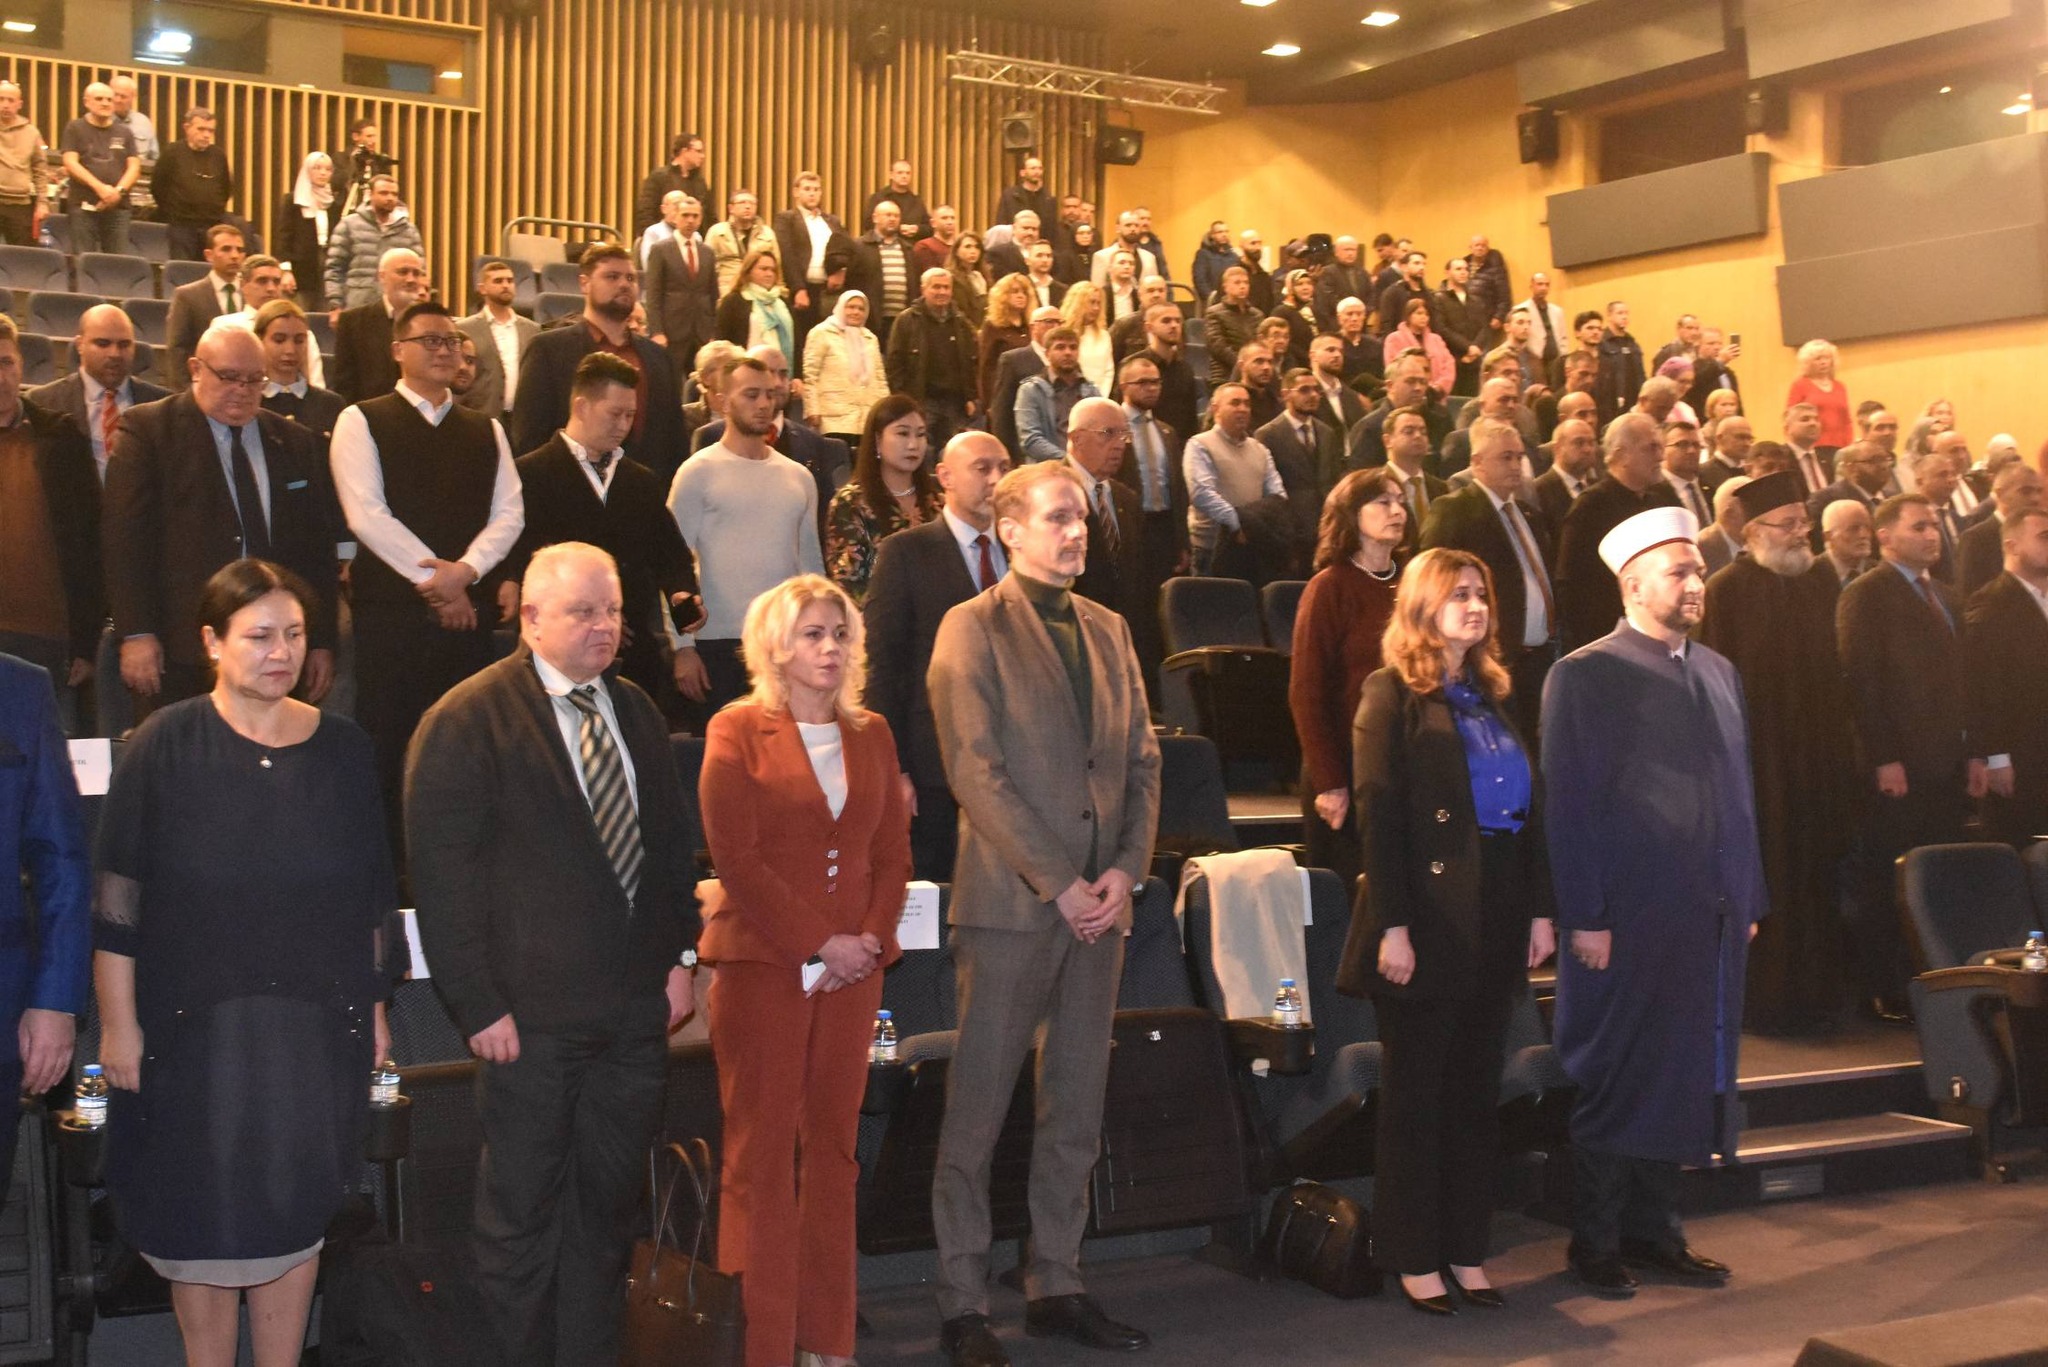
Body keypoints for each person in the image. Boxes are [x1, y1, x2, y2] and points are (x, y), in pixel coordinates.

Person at [405, 542, 699, 1367]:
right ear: (529, 618)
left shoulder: (636, 710)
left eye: (613, 610)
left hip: (632, 1018)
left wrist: (680, 957)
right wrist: (476, 1002)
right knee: (520, 1225)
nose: (605, 626)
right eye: (583, 611)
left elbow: (670, 850)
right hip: (525, 1024)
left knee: (607, 1219)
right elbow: (442, 879)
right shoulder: (466, 720)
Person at [94, 558, 391, 1367]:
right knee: (201, 1218)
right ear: (211, 641)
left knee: (295, 1211)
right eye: (259, 635)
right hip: (190, 1035)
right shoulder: (163, 744)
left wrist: (376, 1011)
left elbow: (371, 893)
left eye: (293, 634)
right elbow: (117, 902)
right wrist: (118, 1025)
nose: (280, 651)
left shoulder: (343, 748)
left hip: (312, 1032)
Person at [929, 462, 1160, 1367]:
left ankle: (1057, 1280)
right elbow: (974, 769)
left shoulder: (1109, 626)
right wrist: (1060, 879)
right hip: (1013, 904)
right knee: (978, 1111)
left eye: (1082, 518)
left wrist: (1126, 872)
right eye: (1059, 516)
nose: (1076, 531)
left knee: (1076, 1106)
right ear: (1011, 528)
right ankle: (961, 1300)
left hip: (1102, 904)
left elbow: (1142, 761)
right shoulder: (972, 625)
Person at [1543, 506, 1764, 1298]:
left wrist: (1747, 891)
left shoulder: (1719, 670)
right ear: (1633, 584)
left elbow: (1739, 793)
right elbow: (1569, 804)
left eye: (1698, 568)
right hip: (1625, 914)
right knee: (1618, 1070)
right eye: (1680, 570)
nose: (1697, 581)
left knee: (1681, 1068)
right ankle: (1596, 1241)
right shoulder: (1585, 673)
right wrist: (1586, 914)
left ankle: (1656, 1231)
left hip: (1706, 910)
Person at [697, 573, 909, 1367]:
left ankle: (828, 1339)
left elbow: (891, 855)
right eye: (813, 633)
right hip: (766, 966)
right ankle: (761, 1348)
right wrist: (822, 942)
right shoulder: (735, 727)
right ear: (776, 646)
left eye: (841, 633)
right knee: (760, 1158)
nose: (830, 648)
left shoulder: (873, 732)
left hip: (856, 975)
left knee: (833, 1152)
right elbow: (736, 859)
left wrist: (869, 939)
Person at [1340, 547, 1554, 1313]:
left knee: (1474, 1094)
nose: (1475, 606)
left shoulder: (1491, 695)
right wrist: (1394, 925)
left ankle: (1466, 1247)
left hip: (1495, 904)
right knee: (1417, 1098)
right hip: (1425, 916)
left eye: (1481, 593)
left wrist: (1539, 908)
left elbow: (1530, 814)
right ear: (1423, 605)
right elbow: (1380, 816)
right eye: (1458, 593)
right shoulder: (1390, 691)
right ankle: (1413, 1254)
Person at [329, 300, 524, 856]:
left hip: (467, 619)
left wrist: (466, 572)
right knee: (392, 749)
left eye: (451, 340)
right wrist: (441, 584)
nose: (444, 350)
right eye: (429, 340)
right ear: (398, 350)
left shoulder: (486, 428)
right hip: (392, 619)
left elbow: (510, 514)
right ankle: (393, 876)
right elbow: (367, 515)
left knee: (464, 749)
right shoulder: (361, 419)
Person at [104, 328, 339, 719]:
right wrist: (137, 633)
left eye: (254, 380)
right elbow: (124, 542)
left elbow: (316, 551)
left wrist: (321, 641)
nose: (242, 390)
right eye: (229, 377)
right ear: (196, 369)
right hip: (180, 644)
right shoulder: (148, 431)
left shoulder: (295, 441)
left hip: (276, 649)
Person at [1696, 472, 1856, 1035]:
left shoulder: (1820, 582)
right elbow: (1715, 688)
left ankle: (1819, 995)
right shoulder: (1726, 591)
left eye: (1802, 523)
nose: (1799, 533)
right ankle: (1767, 1001)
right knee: (1770, 874)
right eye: (1787, 524)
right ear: (1754, 531)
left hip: (1817, 759)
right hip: (1759, 766)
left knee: (1817, 875)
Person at [1836, 494, 1981, 1022]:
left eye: (1935, 524)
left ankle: (1940, 980)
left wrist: (1974, 753)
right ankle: (1888, 986)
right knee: (1888, 879)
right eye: (1918, 526)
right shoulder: (1866, 593)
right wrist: (1884, 757)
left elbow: (1965, 681)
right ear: (1885, 537)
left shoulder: (1945, 594)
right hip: (1899, 765)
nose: (1931, 534)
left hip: (1946, 762)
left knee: (1938, 873)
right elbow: (1862, 681)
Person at [504, 352, 700, 704]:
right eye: (615, 414)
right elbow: (519, 565)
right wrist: (595, 620)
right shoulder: (529, 476)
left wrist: (682, 595)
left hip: (634, 658)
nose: (623, 425)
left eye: (630, 415)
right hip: (555, 657)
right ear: (581, 406)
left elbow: (672, 557)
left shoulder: (640, 481)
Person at [865, 431, 1009, 882]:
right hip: (935, 764)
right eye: (982, 468)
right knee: (940, 890)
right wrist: (895, 769)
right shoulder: (905, 552)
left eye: (1004, 467)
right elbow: (883, 667)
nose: (996, 479)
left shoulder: (1025, 551)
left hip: (1014, 761)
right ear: (945, 476)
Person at [667, 355, 825, 714]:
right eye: (751, 395)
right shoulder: (697, 472)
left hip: (782, 641)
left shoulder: (799, 477)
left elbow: (811, 568)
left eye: (770, 394)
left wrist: (816, 635)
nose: (764, 404)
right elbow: (673, 564)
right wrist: (683, 647)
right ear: (723, 401)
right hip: (717, 642)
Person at [1289, 468, 1406, 886]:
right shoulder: (1329, 587)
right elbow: (1306, 692)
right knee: (1353, 898)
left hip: (1406, 761)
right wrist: (1330, 781)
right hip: (1347, 766)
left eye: (1401, 501)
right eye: (1383, 502)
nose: (1398, 511)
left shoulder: (1414, 582)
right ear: (1351, 514)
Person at [1421, 417, 1556, 744]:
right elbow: (1431, 581)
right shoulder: (1454, 509)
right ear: (1477, 462)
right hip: (1490, 655)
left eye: (1519, 457)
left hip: (1539, 656)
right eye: (1506, 457)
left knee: (1537, 747)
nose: (1516, 465)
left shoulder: (1527, 513)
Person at [514, 244, 686, 486]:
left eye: (631, 278)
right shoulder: (547, 349)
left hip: (644, 494)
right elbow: (529, 437)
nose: (624, 284)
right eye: (612, 277)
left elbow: (675, 442)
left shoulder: (660, 358)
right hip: (568, 490)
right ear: (584, 283)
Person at [0, 312, 101, 714]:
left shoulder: (61, 439)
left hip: (47, 640)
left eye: (5, 362)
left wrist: (85, 642)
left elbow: (92, 544)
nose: (0, 376)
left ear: (21, 365)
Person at [1554, 414, 1681, 650]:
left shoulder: (1662, 499)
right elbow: (1571, 587)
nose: (1660, 456)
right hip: (1609, 639)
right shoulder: (1591, 506)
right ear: (1621, 455)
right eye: (1651, 448)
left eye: (1660, 447)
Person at [1966, 508, 2048, 848]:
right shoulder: (1991, 603)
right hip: (2022, 750)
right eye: (2044, 537)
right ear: (2012, 546)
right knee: (2025, 847)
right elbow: (1983, 687)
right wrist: (1996, 757)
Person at [28, 304, 169, 481]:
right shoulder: (42, 402)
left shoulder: (163, 405)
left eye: (124, 344)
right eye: (103, 344)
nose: (115, 353)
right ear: (80, 345)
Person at [825, 394, 940, 603]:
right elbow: (850, 584)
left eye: (921, 435)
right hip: (878, 614)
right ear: (877, 440)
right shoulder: (851, 503)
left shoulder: (937, 502)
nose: (913, 444)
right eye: (903, 433)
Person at [1063, 395, 1145, 625]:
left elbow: (1138, 579)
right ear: (1077, 438)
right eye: (1108, 433)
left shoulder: (1127, 499)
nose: (1120, 444)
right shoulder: (1050, 493)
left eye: (1124, 435)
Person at [884, 268, 980, 452]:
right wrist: (905, 398)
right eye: (936, 287)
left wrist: (970, 397)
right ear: (923, 289)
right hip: (921, 401)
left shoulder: (961, 323)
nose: (942, 292)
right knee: (921, 452)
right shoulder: (906, 320)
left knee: (953, 453)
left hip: (954, 404)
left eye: (946, 287)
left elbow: (969, 363)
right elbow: (894, 364)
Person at [329, 247, 426, 405]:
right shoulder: (352, 322)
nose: (411, 279)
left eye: (416, 273)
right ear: (382, 277)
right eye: (403, 272)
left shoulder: (430, 324)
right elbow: (344, 386)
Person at [253, 299, 348, 458]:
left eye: (299, 340)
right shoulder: (251, 402)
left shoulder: (331, 404)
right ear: (259, 340)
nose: (290, 350)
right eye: (279, 340)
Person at [643, 195, 719, 382]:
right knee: (671, 383)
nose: (690, 220)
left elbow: (712, 295)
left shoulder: (707, 252)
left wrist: (712, 333)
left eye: (695, 216)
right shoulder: (660, 249)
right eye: (685, 215)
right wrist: (657, 331)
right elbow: (653, 294)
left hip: (701, 331)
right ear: (675, 217)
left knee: (702, 384)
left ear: (700, 219)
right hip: (671, 330)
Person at [456, 259, 540, 422]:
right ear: (482, 288)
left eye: (510, 281)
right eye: (498, 281)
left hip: (521, 419)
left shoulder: (533, 330)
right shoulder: (465, 328)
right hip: (479, 417)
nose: (505, 285)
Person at [802, 290, 888, 449]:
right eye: (851, 307)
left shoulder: (870, 338)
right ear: (841, 307)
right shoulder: (821, 333)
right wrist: (812, 410)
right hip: (833, 418)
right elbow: (810, 375)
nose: (856, 312)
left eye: (861, 309)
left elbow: (880, 379)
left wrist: (884, 414)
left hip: (866, 419)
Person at [61, 82, 140, 255]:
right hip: (83, 207)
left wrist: (118, 192)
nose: (105, 103)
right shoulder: (75, 128)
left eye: (109, 100)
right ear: (86, 102)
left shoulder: (125, 132)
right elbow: (70, 162)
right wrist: (100, 188)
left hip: (118, 208)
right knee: (83, 259)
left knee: (117, 261)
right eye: (99, 99)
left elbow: (134, 167)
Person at [323, 175, 423, 310]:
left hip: (398, 307)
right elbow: (335, 269)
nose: (390, 198)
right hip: (357, 305)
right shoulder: (349, 225)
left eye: (394, 194)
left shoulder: (408, 230)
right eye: (384, 193)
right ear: (370, 195)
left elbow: (420, 271)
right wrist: (335, 304)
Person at [166, 223, 247, 389]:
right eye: (226, 249)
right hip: (203, 386)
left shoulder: (252, 294)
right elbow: (178, 349)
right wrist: (186, 392)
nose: (234, 255)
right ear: (209, 255)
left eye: (239, 250)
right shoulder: (187, 296)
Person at [151, 106, 236, 261]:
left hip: (212, 225)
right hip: (181, 225)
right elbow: (158, 186)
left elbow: (226, 188)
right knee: (182, 268)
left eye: (210, 131)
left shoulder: (218, 155)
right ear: (187, 128)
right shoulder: (172, 152)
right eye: (201, 129)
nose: (206, 135)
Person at [772, 171, 845, 341]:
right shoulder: (786, 219)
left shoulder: (832, 221)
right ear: (796, 192)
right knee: (802, 340)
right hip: (802, 289)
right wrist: (798, 289)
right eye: (807, 189)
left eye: (816, 189)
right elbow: (787, 255)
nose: (812, 193)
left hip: (829, 291)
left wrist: (840, 271)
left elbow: (844, 248)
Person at [1957, 461, 2046, 597]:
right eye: (2025, 491)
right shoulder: (1976, 539)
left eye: (2039, 491)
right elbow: (1969, 596)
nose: (2035, 498)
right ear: (2000, 493)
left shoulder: (2042, 534)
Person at [276, 153, 338, 309]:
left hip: (327, 264)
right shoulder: (293, 201)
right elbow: (284, 237)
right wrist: (286, 271)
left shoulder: (334, 203)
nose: (323, 173)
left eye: (327, 169)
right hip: (301, 267)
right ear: (307, 170)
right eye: (317, 168)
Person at [633, 131, 712, 239]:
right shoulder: (659, 177)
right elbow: (645, 213)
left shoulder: (699, 181)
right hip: (663, 239)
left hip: (694, 239)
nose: (702, 156)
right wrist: (654, 238)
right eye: (698, 151)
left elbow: (709, 215)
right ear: (684, 151)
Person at [976, 274, 1034, 417]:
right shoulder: (992, 326)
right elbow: (986, 366)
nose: (1020, 296)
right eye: (1014, 292)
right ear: (1003, 296)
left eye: (1024, 292)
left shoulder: (1031, 326)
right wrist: (989, 402)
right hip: (1003, 394)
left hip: (1030, 394)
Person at [0, 81, 49, 247]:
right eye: (1, 99)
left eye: (10, 100)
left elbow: (40, 170)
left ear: (19, 104)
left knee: (22, 255)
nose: (5, 105)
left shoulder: (31, 132)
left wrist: (42, 203)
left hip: (20, 204)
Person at [706, 188, 779, 296]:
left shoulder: (767, 233)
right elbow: (707, 268)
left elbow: (777, 266)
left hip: (759, 292)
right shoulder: (717, 232)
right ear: (731, 208)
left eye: (752, 203)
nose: (748, 206)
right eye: (742, 202)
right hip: (726, 291)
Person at [1786, 339, 1850, 453]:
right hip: (1812, 447)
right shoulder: (1799, 385)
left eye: (1827, 358)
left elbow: (1847, 421)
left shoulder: (1840, 386)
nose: (1823, 362)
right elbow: (1790, 420)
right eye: (1818, 359)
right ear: (1808, 363)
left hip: (1841, 447)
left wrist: (1849, 446)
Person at [1383, 296, 1456, 396]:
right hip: (1408, 394)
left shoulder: (1436, 339)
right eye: (1419, 313)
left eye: (1426, 314)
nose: (1424, 317)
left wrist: (1439, 386)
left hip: (1436, 395)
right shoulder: (1394, 339)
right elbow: (1392, 368)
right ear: (1408, 316)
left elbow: (1449, 364)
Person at [1203, 266, 1263, 385]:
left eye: (1246, 282)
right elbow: (1217, 346)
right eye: (1237, 282)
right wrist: (1243, 365)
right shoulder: (1214, 313)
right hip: (1224, 374)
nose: (1242, 286)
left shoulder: (1257, 315)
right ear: (1225, 287)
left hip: (1253, 374)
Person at [1592, 301, 1645, 427]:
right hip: (1610, 403)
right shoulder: (1602, 343)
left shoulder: (1632, 343)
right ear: (1609, 316)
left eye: (1626, 313)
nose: (1624, 317)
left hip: (1633, 401)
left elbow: (1640, 373)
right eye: (1620, 313)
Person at [1059, 281, 1115, 395]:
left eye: (1099, 303)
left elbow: (1108, 371)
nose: (1096, 308)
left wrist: (1100, 396)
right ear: (1077, 303)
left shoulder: (1104, 336)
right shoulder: (1061, 334)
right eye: (1092, 302)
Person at [994, 154, 1057, 234]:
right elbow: (1002, 224)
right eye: (1033, 168)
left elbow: (1052, 228)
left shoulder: (1048, 198)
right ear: (1022, 173)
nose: (1037, 172)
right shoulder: (1010, 196)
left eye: (1040, 168)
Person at [1822, 498, 1875, 586]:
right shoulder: (1808, 577)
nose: (1863, 535)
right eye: (1853, 529)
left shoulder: (1882, 575)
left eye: (1867, 527)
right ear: (1828, 536)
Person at [947, 232, 992, 328]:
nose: (973, 251)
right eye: (968, 247)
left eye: (977, 247)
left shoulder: (983, 275)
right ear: (956, 251)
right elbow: (962, 311)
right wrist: (982, 293)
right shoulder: (951, 277)